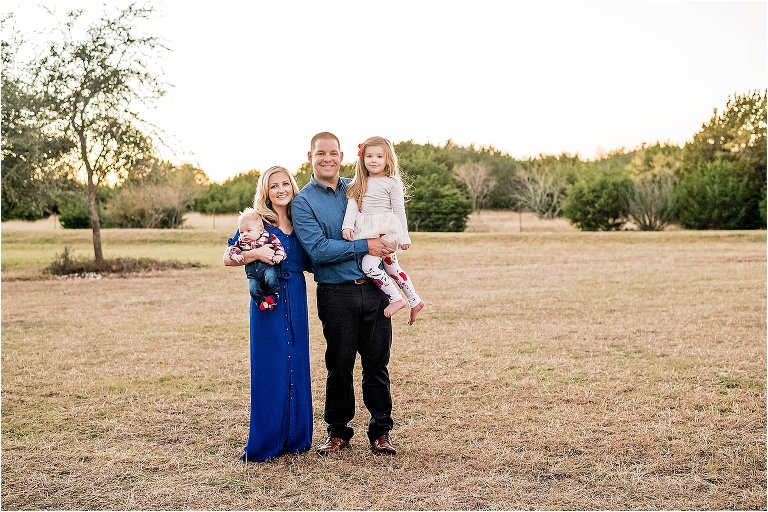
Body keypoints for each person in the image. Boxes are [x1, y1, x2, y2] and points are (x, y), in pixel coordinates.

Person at [292, 132, 399, 456]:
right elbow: (319, 250)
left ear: (341, 156)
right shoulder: (304, 202)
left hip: (374, 289)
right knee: (339, 364)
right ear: (310, 156)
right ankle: (338, 432)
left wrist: (390, 240)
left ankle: (381, 432)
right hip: (336, 293)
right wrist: (365, 245)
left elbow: (387, 220)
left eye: (333, 153)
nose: (327, 158)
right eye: (320, 153)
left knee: (377, 365)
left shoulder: (362, 187)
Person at [223, 165, 313, 462]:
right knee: (270, 365)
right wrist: (258, 254)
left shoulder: (302, 219)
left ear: (292, 186)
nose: (281, 190)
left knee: (297, 362)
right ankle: (267, 441)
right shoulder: (256, 222)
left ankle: (297, 438)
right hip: (267, 298)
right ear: (266, 191)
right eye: (274, 185)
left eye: (285, 183)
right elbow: (228, 257)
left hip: (296, 296)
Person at [342, 136, 425, 325]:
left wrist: (404, 236)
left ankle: (396, 298)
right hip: (367, 230)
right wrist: (347, 226)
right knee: (392, 267)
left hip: (386, 230)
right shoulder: (358, 183)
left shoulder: (391, 182)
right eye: (369, 156)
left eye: (379, 156)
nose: (373, 160)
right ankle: (415, 300)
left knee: (369, 266)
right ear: (362, 159)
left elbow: (399, 210)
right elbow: (352, 208)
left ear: (388, 159)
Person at [226, 208, 287, 311]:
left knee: (271, 278)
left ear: (260, 230)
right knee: (253, 288)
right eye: (241, 232)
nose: (244, 234)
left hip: (267, 269)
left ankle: (273, 296)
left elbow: (279, 247)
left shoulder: (268, 237)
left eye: (248, 231)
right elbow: (232, 251)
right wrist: (236, 256)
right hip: (253, 274)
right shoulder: (241, 242)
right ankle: (261, 301)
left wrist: (279, 256)